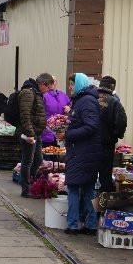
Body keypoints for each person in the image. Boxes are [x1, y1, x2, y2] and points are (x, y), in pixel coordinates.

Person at [56, 73, 102, 235]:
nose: (69, 88)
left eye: (71, 84)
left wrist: (67, 135)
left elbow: (91, 126)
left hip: (83, 153)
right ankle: (89, 225)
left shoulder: (86, 101)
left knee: (74, 188)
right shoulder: (82, 100)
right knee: (88, 189)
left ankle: (73, 224)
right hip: (83, 152)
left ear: (79, 84)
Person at [17, 75, 50, 198]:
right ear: (42, 84)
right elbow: (25, 115)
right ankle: (26, 189)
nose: (47, 90)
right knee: (27, 161)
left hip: (36, 132)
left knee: (38, 159)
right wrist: (30, 133)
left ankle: (31, 185)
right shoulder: (29, 92)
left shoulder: (36, 93)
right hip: (29, 133)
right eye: (47, 87)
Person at [96, 75, 128, 194]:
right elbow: (121, 122)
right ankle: (104, 206)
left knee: (90, 173)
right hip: (106, 143)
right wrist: (116, 135)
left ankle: (88, 207)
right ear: (112, 86)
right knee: (105, 174)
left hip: (90, 143)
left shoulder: (90, 97)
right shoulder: (114, 101)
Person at [41, 74, 71, 147]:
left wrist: (69, 107)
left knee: (60, 155)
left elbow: (71, 104)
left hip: (61, 132)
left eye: (54, 81)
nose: (52, 83)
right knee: (47, 154)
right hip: (47, 133)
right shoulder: (43, 95)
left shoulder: (62, 95)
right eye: (50, 81)